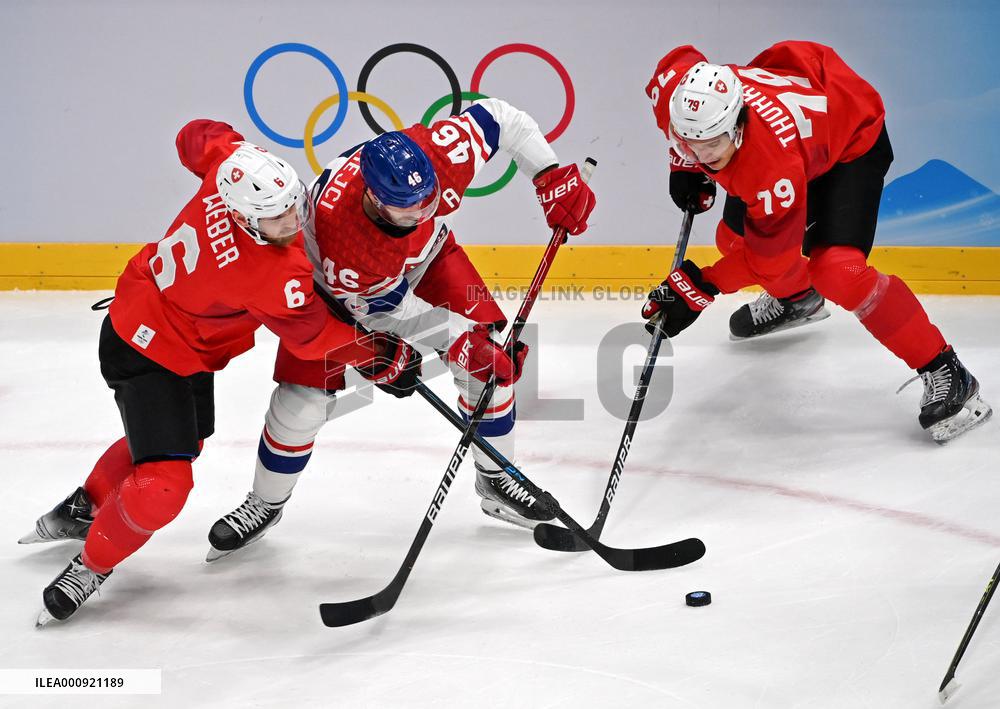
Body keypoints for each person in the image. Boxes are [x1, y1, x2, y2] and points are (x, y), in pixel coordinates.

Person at [20, 120, 420, 625]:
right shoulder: (270, 273)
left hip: (166, 328)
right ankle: (91, 565)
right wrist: (383, 355)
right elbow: (313, 335)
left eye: (293, 205)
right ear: (246, 220)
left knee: (184, 440)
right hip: (147, 352)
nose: (294, 221)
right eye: (276, 220)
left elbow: (193, 135)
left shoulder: (229, 172)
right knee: (165, 484)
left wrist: (231, 152)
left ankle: (87, 505)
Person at [205, 97, 596, 560]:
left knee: (492, 362)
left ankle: (497, 479)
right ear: (373, 198)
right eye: (406, 213)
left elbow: (503, 118)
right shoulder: (343, 237)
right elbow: (391, 311)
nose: (421, 217)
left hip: (432, 261)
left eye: (427, 205)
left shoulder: (436, 154)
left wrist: (548, 176)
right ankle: (265, 503)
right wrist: (456, 343)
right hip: (341, 295)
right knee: (300, 403)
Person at [641, 41, 991, 443]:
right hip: (808, 109)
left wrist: (701, 285)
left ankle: (946, 369)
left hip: (850, 137)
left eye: (712, 145)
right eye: (689, 141)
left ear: (738, 124)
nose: (703, 155)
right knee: (731, 239)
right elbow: (677, 59)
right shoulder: (677, 96)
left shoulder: (770, 169)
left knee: (837, 270)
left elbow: (769, 259)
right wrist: (683, 161)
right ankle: (799, 300)